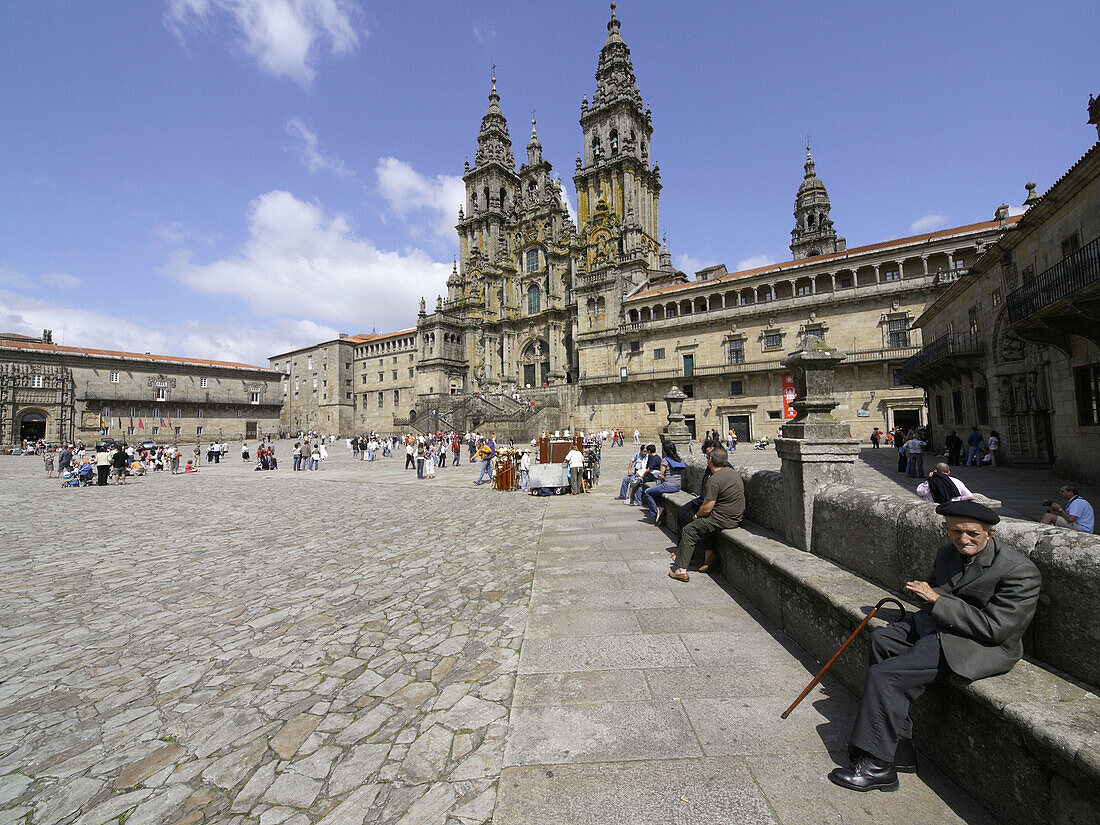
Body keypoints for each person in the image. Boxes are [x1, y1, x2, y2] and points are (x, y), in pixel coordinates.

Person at [829, 500, 1041, 792]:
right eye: (955, 532)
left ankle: (878, 765)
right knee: (883, 639)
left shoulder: (1019, 570)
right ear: (945, 528)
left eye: (972, 534)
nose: (962, 539)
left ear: (989, 534)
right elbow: (936, 589)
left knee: (887, 675)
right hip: (942, 626)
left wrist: (938, 601)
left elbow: (996, 629)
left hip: (976, 644)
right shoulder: (948, 553)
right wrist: (923, 593)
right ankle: (899, 748)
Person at [668, 446, 744, 582]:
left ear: (710, 460)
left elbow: (707, 508)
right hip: (736, 516)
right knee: (702, 526)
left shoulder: (714, 480)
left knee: (689, 530)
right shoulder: (732, 473)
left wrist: (696, 516)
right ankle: (708, 556)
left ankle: (681, 570)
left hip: (724, 518)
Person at [644, 439, 686, 522]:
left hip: (668, 486)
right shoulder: (678, 459)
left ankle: (656, 513)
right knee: (656, 492)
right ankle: (659, 507)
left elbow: (661, 476)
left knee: (648, 492)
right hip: (678, 486)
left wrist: (660, 475)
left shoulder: (665, 460)